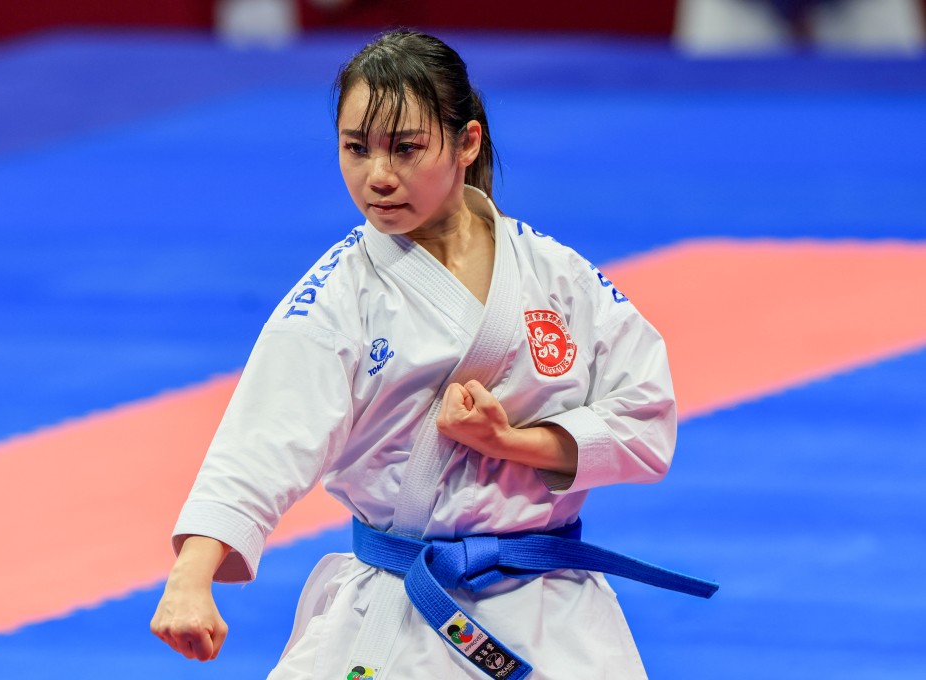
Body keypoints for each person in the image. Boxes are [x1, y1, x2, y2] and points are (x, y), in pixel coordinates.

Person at [150, 29, 715, 679]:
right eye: (356, 149)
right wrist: (190, 578)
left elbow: (647, 418)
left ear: (466, 142)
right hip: (400, 610)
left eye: (406, 148)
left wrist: (512, 443)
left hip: (552, 614)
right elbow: (260, 444)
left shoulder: (557, 276)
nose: (378, 176)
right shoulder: (338, 296)